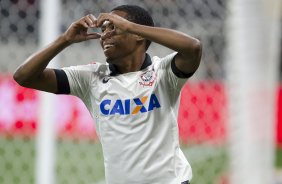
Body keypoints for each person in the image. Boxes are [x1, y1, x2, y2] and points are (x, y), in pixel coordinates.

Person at [13, 4, 202, 184]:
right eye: (103, 30)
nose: (104, 35)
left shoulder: (162, 72)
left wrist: (130, 26)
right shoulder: (91, 78)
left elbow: (193, 47)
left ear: (137, 34)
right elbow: (24, 76)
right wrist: (64, 40)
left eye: (113, 27)